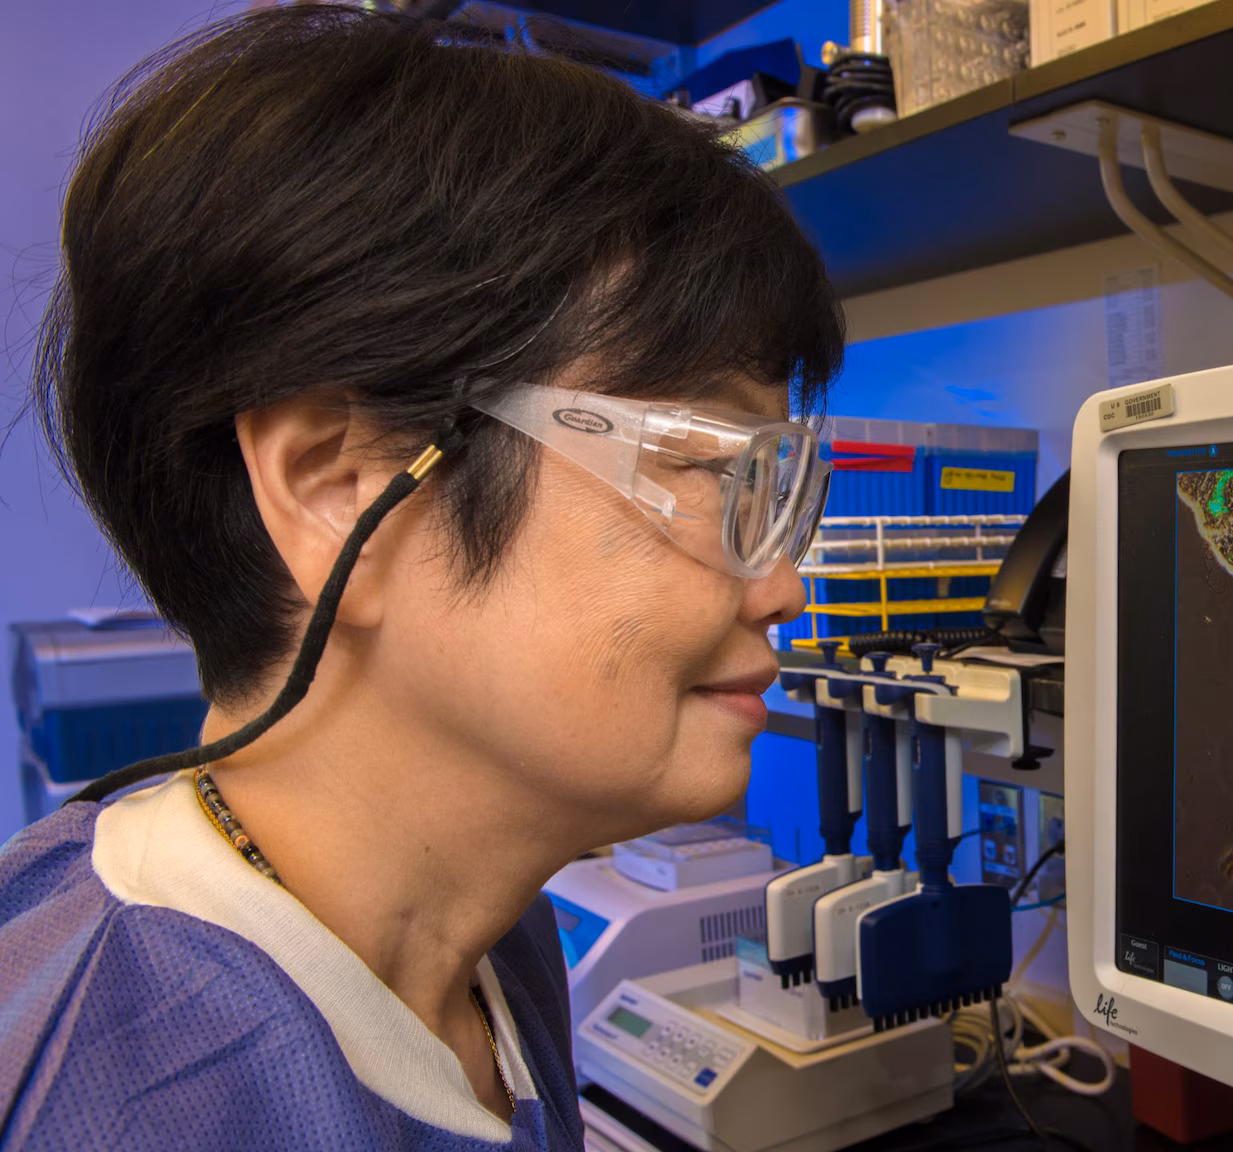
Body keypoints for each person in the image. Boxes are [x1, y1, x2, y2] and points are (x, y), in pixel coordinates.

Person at [4, 5, 842, 1149]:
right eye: (703, 464)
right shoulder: (104, 1100)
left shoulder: (491, 942)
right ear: (338, 485)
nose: (783, 584)